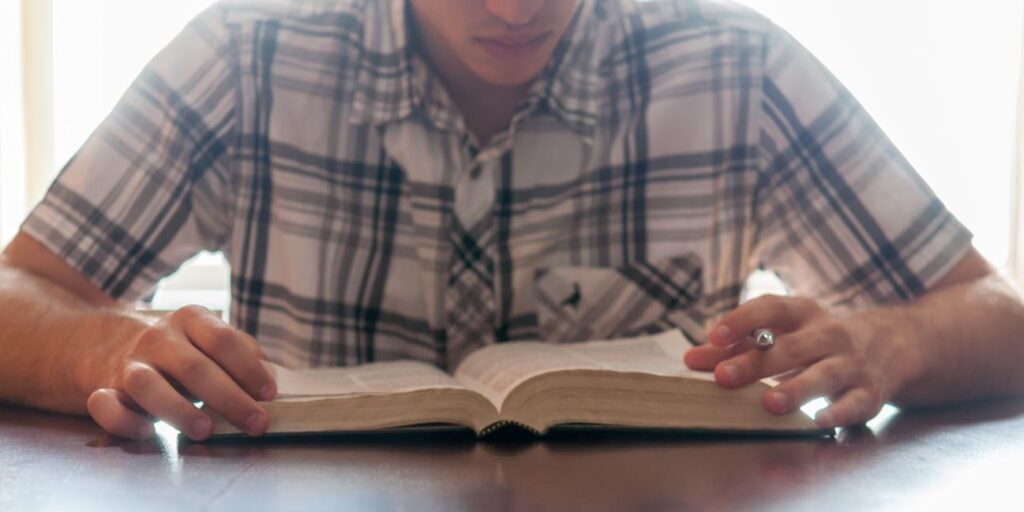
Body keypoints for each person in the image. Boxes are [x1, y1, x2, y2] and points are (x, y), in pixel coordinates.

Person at [1, 0, 1022, 442]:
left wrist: (884, 344)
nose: (514, 9)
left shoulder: (735, 65)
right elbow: (17, 291)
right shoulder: (246, 52)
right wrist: (117, 345)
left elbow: (994, 312)